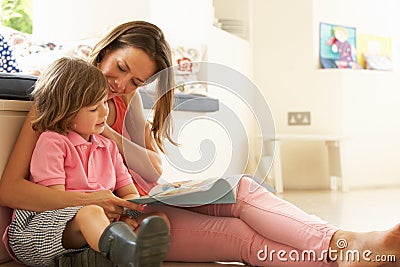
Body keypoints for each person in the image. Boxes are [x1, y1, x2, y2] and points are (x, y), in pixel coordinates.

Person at [1, 20, 400, 267]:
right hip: (126, 218)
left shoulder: (127, 104)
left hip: (144, 201)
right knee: (242, 239)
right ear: (106, 50)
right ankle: (353, 256)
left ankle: (346, 244)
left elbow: (151, 173)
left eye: (138, 81)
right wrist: (103, 198)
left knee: (241, 188)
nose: (120, 86)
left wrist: (113, 134)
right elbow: (12, 189)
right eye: (120, 68)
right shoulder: (61, 102)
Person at [4, 57, 170, 267]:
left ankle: (111, 254)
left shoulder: (108, 147)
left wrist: (128, 212)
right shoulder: (53, 142)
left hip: (94, 226)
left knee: (157, 218)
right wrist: (96, 204)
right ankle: (126, 252)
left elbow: (129, 192)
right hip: (44, 229)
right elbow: (56, 200)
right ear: (67, 114)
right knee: (90, 214)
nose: (104, 112)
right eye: (94, 109)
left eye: (104, 103)